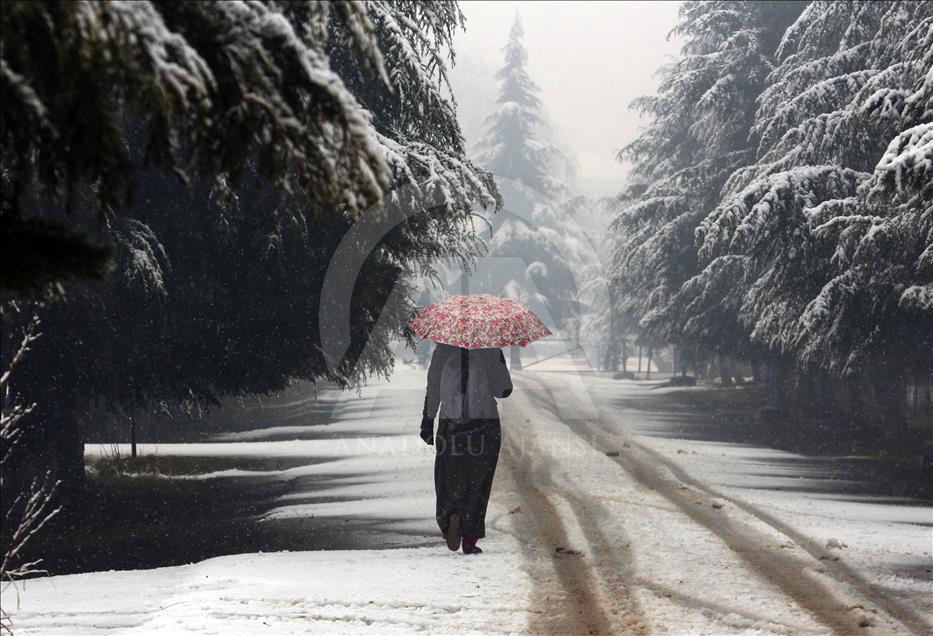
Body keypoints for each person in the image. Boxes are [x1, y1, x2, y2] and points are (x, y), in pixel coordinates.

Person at [419, 343, 513, 554]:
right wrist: (494, 362)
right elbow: (503, 390)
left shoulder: (443, 350)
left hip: (450, 424)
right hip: (484, 424)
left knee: (448, 477)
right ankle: (470, 537)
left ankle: (452, 515)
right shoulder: (489, 348)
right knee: (478, 482)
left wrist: (427, 420)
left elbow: (433, 388)